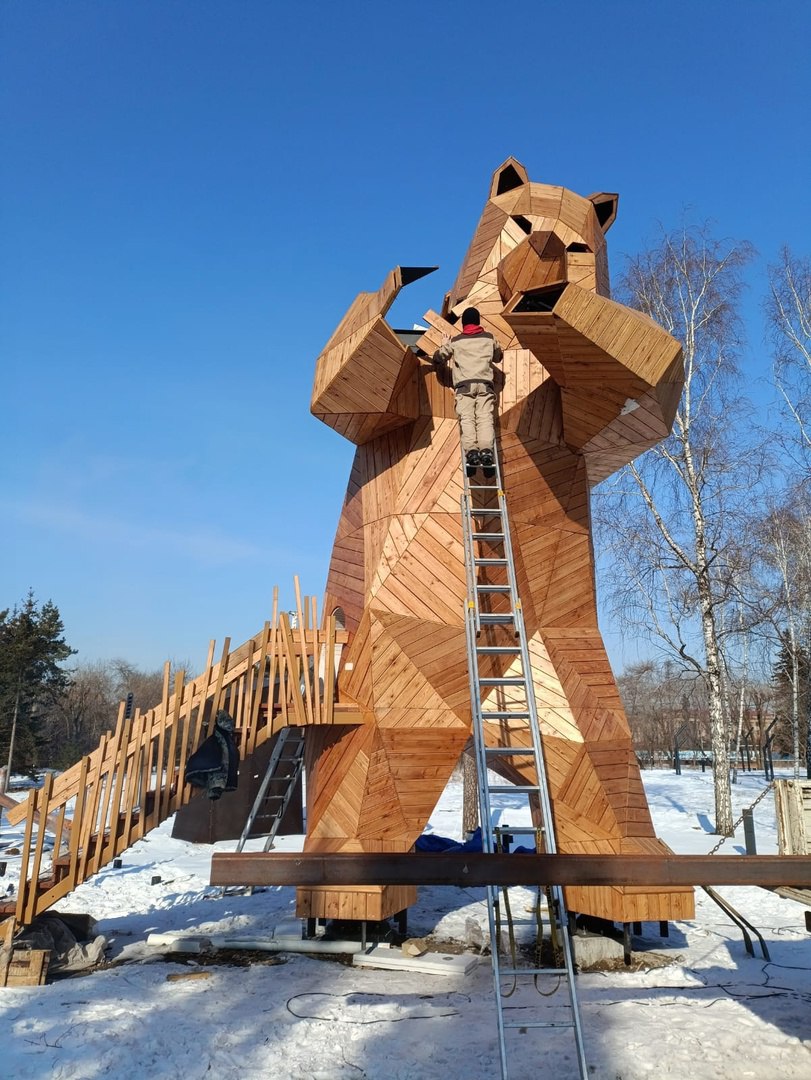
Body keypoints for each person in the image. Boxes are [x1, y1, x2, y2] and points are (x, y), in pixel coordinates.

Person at [433, 307, 503, 477]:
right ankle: (486, 451)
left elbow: (439, 357)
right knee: (485, 419)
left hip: (464, 387)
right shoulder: (489, 338)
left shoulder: (457, 341)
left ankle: (471, 452)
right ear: (478, 322)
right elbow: (498, 356)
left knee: (467, 420)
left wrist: (442, 347)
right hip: (485, 386)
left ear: (464, 324)